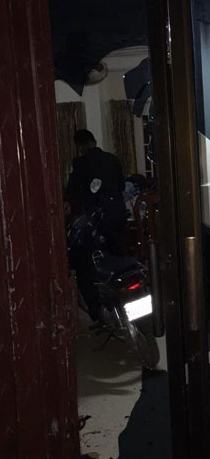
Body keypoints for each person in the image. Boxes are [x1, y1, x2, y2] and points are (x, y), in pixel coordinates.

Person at [65, 130, 127, 321]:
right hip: (118, 217)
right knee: (118, 258)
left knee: (84, 263)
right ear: (94, 141)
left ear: (80, 147)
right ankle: (122, 304)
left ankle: (97, 312)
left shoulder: (81, 163)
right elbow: (121, 186)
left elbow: (72, 192)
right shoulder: (112, 159)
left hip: (95, 222)